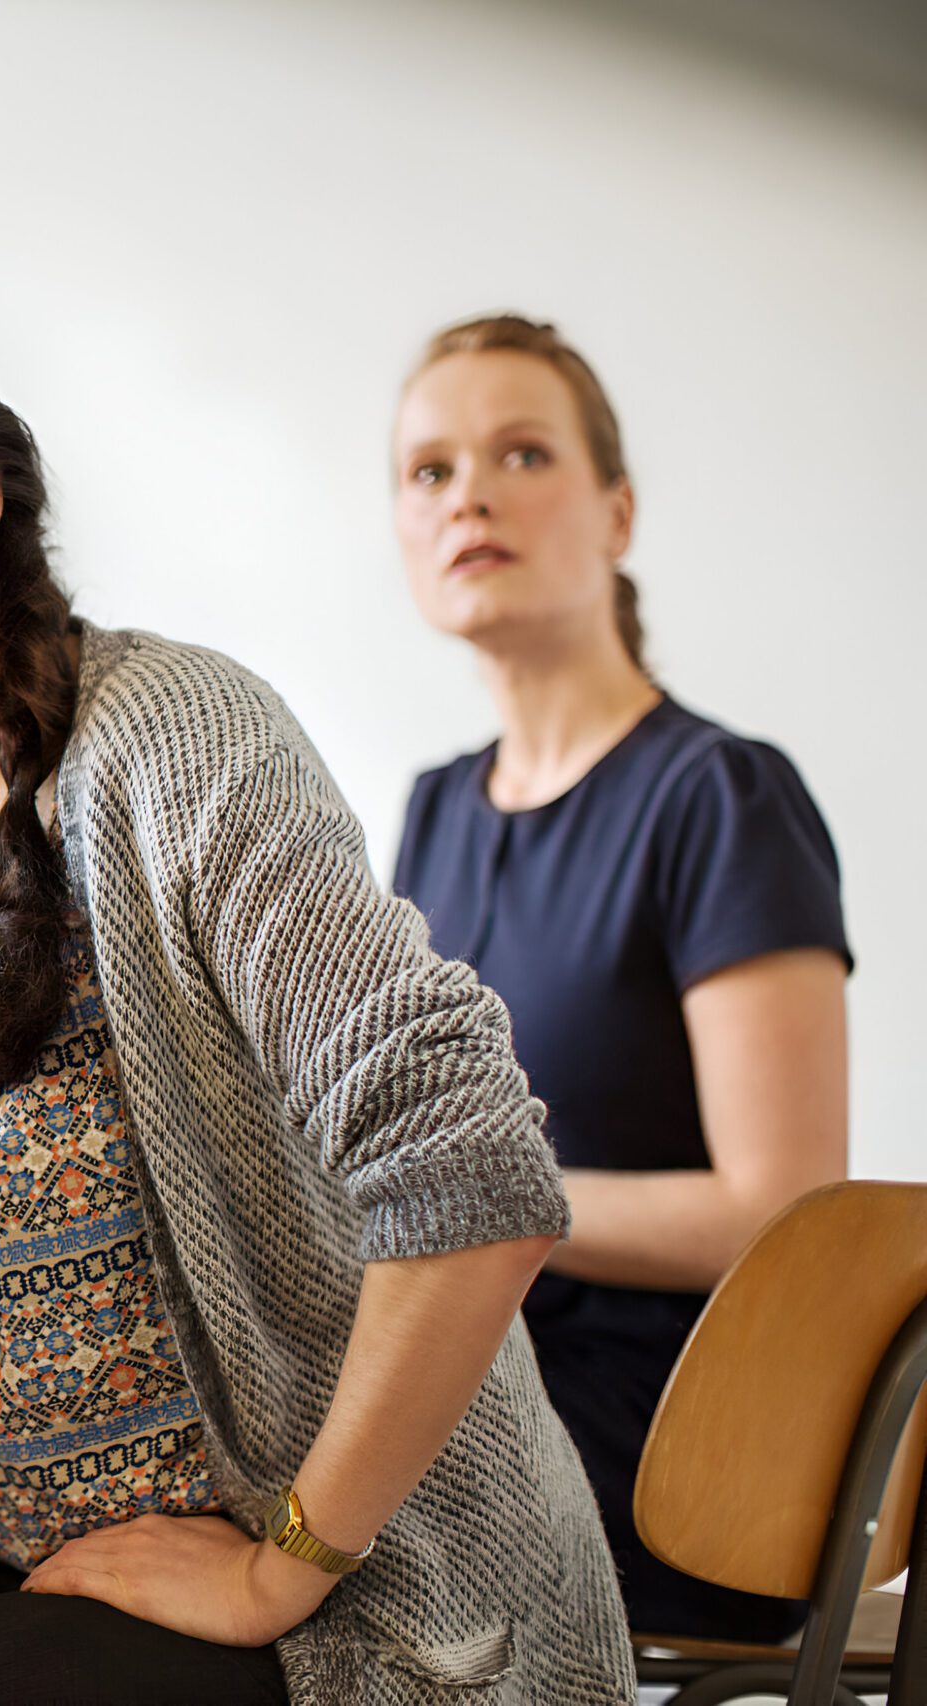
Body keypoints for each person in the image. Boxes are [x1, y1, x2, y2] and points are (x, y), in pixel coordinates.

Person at [0, 273, 632, 1703]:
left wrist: (286, 1560)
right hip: (65, 1586)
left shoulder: (171, 740)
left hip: (377, 1613)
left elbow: (476, 1168)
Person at [388, 314, 850, 1641]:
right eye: (429, 471)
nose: (468, 491)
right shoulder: (433, 813)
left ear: (617, 511)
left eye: (521, 453)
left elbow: (788, 1208)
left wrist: (488, 1205)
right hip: (486, 1378)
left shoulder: (720, 796)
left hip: (674, 1437)